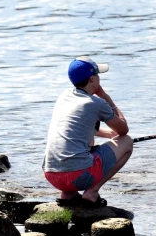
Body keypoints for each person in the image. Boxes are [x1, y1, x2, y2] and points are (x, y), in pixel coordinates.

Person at [42, 56, 133, 207]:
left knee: (86, 144)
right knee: (127, 142)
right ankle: (92, 192)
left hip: (52, 175)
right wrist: (105, 97)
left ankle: (68, 193)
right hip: (78, 176)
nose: (99, 78)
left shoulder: (64, 96)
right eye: (98, 75)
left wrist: (107, 134)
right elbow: (123, 129)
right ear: (92, 79)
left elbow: (75, 128)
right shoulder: (96, 103)